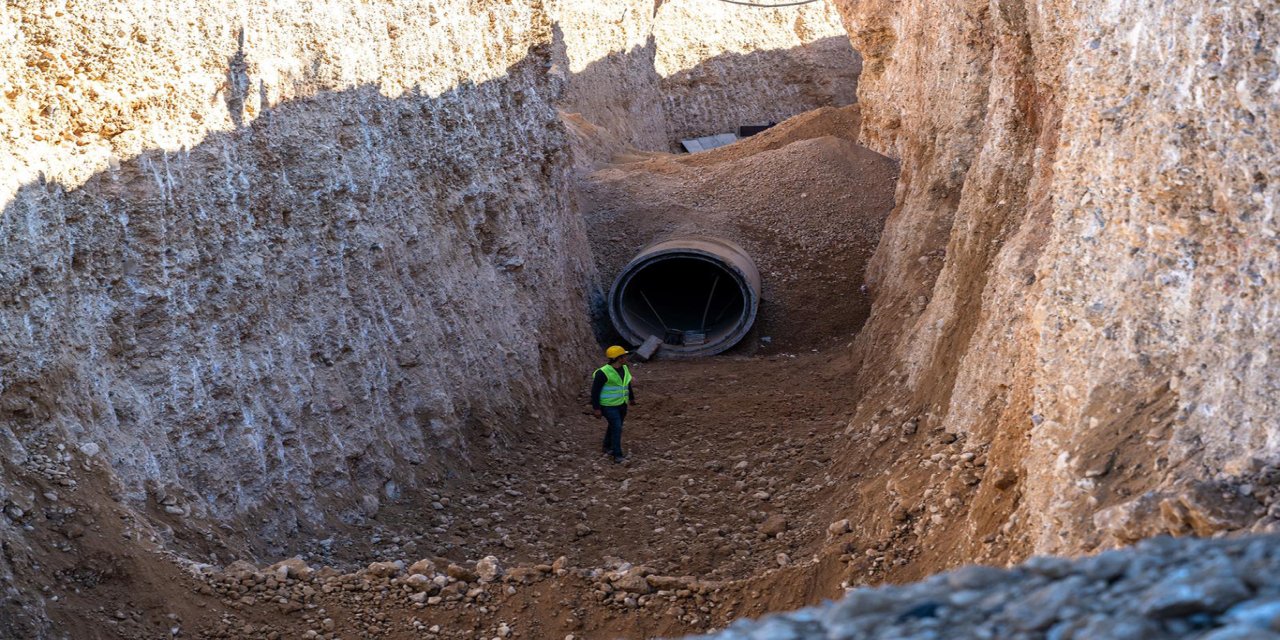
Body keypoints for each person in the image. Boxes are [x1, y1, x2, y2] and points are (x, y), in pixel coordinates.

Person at [591, 345, 637, 463]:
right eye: (624, 356)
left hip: (622, 404)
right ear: (619, 358)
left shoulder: (624, 369)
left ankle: (606, 446)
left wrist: (631, 398)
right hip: (608, 406)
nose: (626, 358)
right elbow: (595, 391)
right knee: (617, 428)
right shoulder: (603, 373)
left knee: (614, 426)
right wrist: (596, 408)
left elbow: (626, 383)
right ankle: (617, 455)